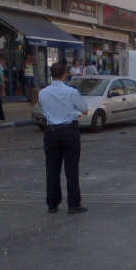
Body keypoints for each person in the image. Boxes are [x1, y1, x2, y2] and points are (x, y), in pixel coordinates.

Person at [38, 62, 88, 214]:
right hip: (69, 130)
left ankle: (52, 203)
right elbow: (84, 109)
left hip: (51, 131)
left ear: (51, 75)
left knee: (52, 169)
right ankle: (73, 204)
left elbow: (44, 109)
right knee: (71, 169)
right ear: (65, 74)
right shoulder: (71, 92)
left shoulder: (43, 93)